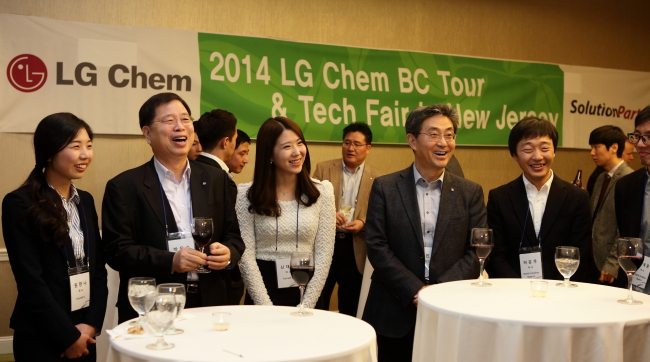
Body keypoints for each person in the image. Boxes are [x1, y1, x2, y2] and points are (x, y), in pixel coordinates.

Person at [102, 93, 244, 322]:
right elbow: (117, 252)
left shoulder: (217, 179)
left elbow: (234, 237)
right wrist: (170, 261)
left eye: (185, 119)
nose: (180, 127)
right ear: (147, 134)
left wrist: (229, 255)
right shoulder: (124, 186)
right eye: (169, 121)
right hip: (153, 308)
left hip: (210, 305)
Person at [363, 104, 485, 362]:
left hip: (451, 309)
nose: (444, 142)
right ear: (412, 140)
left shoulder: (470, 192)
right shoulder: (385, 187)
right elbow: (377, 246)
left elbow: (477, 250)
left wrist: (437, 293)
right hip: (394, 310)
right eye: (433, 134)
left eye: (449, 134)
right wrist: (415, 291)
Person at [2, 113, 108, 361]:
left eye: (89, 146)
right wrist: (67, 337)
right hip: (42, 334)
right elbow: (31, 281)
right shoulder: (20, 203)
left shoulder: (86, 200)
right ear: (48, 153)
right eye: (76, 146)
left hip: (84, 332)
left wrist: (90, 325)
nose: (85, 155)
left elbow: (98, 270)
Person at [236, 116, 335, 308]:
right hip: (262, 292)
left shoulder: (322, 192)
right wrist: (265, 306)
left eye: (299, 143)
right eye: (287, 146)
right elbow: (246, 257)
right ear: (269, 155)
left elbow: (324, 255)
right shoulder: (246, 194)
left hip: (308, 290)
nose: (297, 152)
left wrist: (306, 305)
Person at [485, 117, 591, 282]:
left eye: (544, 148)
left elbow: (581, 253)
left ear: (554, 151)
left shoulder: (577, 197)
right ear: (514, 155)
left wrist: (554, 289)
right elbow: (495, 254)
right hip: (512, 292)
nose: (537, 156)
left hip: (561, 293)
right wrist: (519, 287)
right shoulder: (500, 197)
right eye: (528, 150)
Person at [313, 122, 382, 316]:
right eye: (347, 142)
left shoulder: (378, 178)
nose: (350, 148)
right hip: (327, 244)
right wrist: (327, 214)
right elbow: (309, 202)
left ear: (368, 148)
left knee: (351, 305)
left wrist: (363, 223)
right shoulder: (324, 169)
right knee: (319, 301)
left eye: (357, 144)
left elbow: (380, 214)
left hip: (356, 248)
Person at [588, 126, 633, 286]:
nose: (592, 153)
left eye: (596, 147)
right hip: (594, 259)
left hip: (612, 265)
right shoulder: (601, 177)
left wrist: (613, 263)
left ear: (614, 147)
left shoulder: (628, 178)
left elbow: (626, 229)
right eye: (591, 147)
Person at [616, 105, 650, 294]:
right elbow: (627, 242)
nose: (641, 144)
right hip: (636, 286)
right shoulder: (627, 186)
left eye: (649, 136)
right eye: (638, 136)